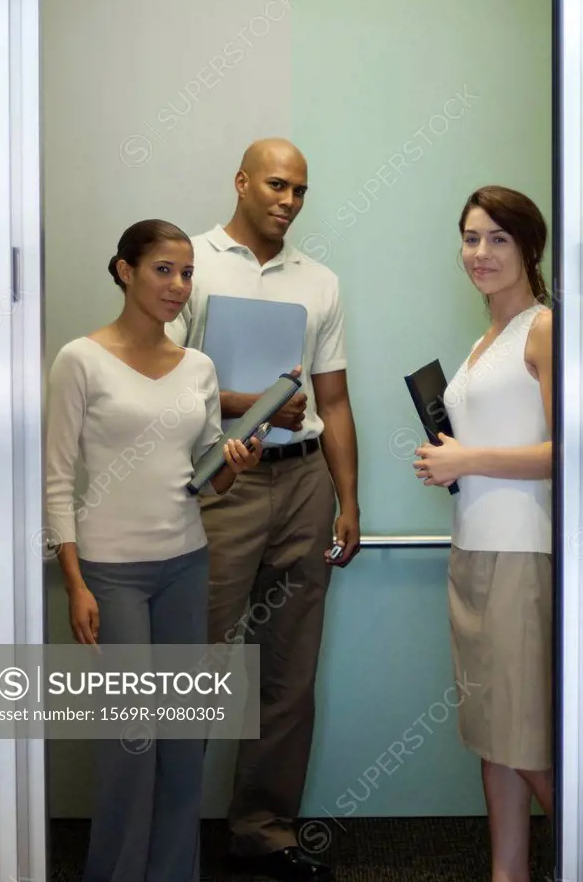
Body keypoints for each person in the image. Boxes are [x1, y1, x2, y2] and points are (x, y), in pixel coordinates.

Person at [45, 218, 263, 882]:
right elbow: (56, 480)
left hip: (186, 564)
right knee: (128, 747)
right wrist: (77, 583)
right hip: (112, 575)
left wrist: (233, 462)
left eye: (187, 272)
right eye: (163, 270)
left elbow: (203, 479)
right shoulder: (79, 359)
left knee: (179, 745)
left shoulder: (199, 367)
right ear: (125, 271)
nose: (177, 285)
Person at [168, 138, 360, 882]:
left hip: (304, 481)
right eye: (277, 185)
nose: (288, 200)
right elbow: (162, 380)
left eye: (301, 191)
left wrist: (349, 499)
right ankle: (169, 833)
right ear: (242, 182)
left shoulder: (321, 282)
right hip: (222, 483)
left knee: (287, 668)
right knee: (196, 662)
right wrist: (253, 406)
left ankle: (263, 831)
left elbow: (335, 399)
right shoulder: (190, 261)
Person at [413, 186, 553, 882]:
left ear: (529, 247)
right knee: (492, 737)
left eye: (497, 238)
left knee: (524, 738)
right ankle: (507, 873)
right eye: (470, 237)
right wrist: (449, 461)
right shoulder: (483, 340)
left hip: (521, 554)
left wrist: (465, 458)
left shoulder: (543, 328)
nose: (479, 253)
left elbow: (568, 455)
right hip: (472, 548)